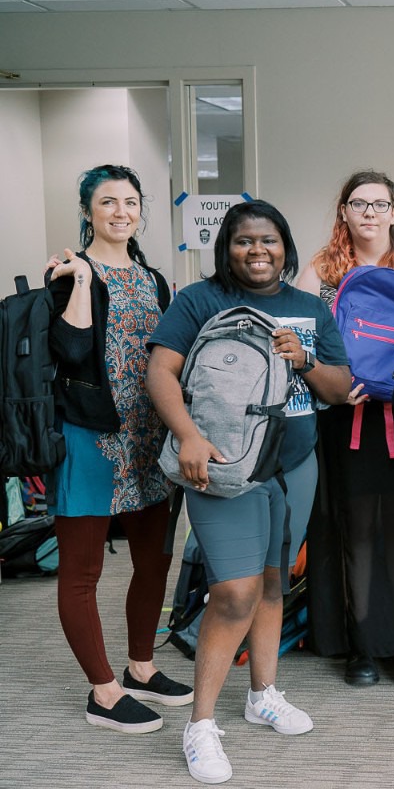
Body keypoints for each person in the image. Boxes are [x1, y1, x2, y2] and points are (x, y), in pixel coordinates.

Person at [147, 200, 350, 784]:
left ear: (285, 246)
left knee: (272, 579)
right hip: (222, 463)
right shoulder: (200, 300)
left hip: (294, 464)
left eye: (268, 241)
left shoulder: (309, 307)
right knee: (233, 592)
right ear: (226, 248)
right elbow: (161, 371)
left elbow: (338, 389)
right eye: (243, 242)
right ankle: (200, 726)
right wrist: (186, 434)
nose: (256, 251)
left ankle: (263, 695)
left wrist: (303, 358)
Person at [45, 164, 192, 734]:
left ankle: (141, 668)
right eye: (107, 202)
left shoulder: (155, 279)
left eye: (130, 202)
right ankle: (103, 693)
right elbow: (74, 351)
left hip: (148, 437)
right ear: (87, 212)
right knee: (80, 572)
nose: (121, 212)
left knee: (153, 561)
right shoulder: (68, 274)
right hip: (89, 437)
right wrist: (80, 282)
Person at [297, 170, 394, 687]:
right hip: (347, 416)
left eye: (380, 204)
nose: (369, 213)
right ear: (343, 211)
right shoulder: (319, 271)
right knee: (357, 532)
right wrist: (334, 384)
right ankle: (361, 646)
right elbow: (305, 345)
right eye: (359, 203)